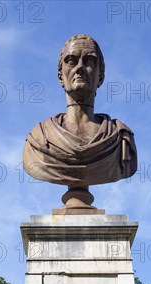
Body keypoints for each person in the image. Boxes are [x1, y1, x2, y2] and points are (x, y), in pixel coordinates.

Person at [23, 34, 137, 193]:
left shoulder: (120, 139)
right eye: (71, 61)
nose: (80, 68)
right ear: (60, 75)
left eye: (89, 61)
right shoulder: (39, 138)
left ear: (101, 75)